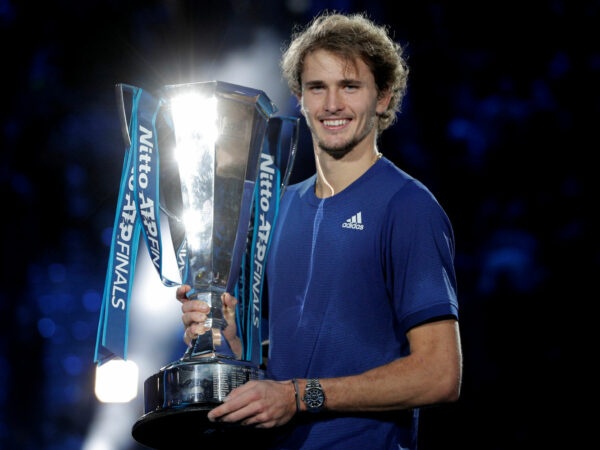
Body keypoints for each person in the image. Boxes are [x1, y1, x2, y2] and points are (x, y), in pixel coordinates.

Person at [177, 10, 462, 450]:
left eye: (350, 86)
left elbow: (440, 374)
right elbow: (298, 352)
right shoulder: (276, 207)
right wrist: (230, 340)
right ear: (299, 97)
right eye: (317, 87)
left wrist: (300, 396)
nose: (332, 104)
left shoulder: (407, 207)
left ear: (383, 97)